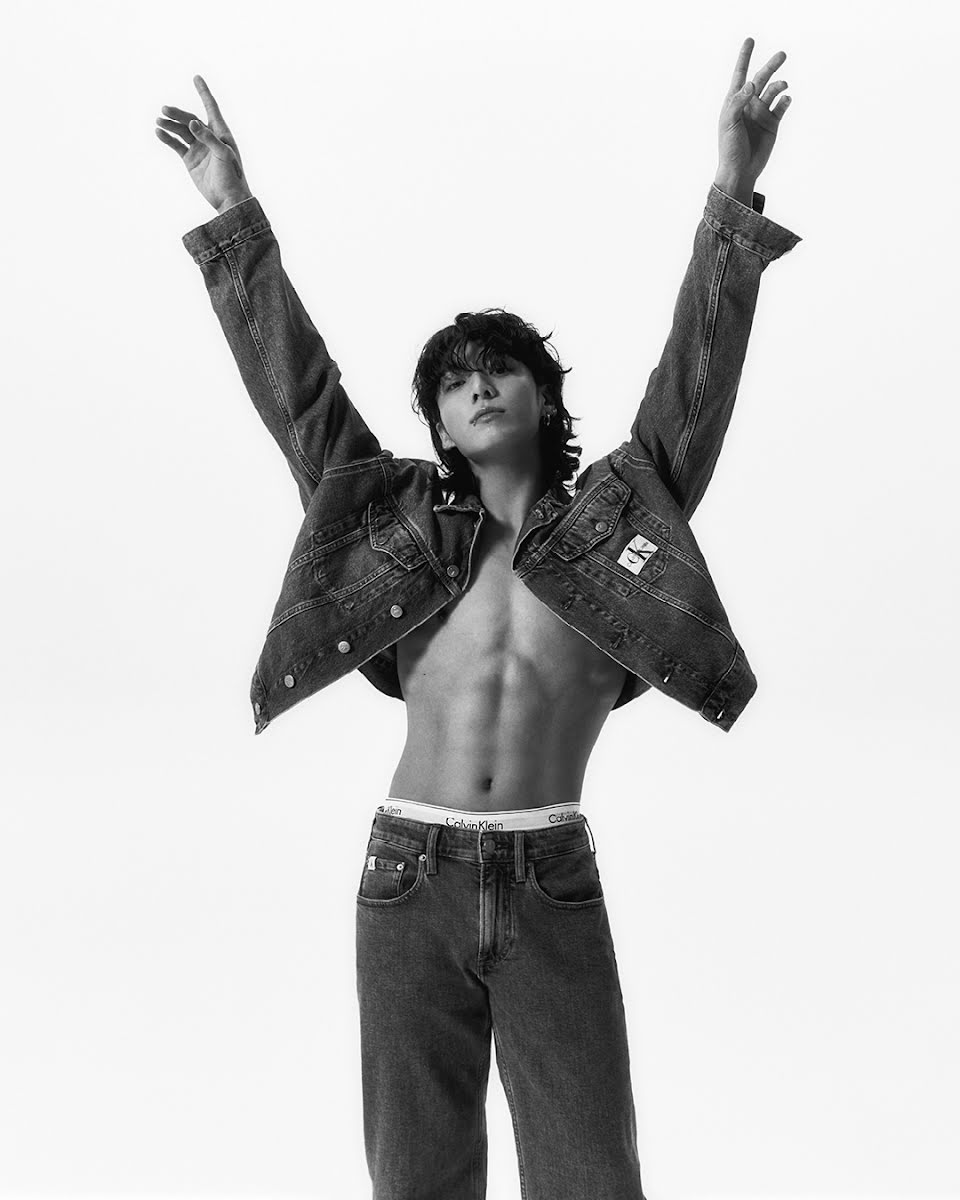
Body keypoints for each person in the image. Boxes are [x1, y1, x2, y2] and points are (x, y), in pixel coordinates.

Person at [156, 36, 800, 1199]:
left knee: (591, 1175)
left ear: (544, 397)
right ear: (442, 426)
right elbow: (299, 395)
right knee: (417, 1179)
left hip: (552, 872)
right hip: (408, 872)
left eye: (500, 370)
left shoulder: (620, 517)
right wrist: (233, 212)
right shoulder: (392, 522)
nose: (480, 387)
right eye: (456, 383)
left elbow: (693, 386)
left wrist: (730, 194)